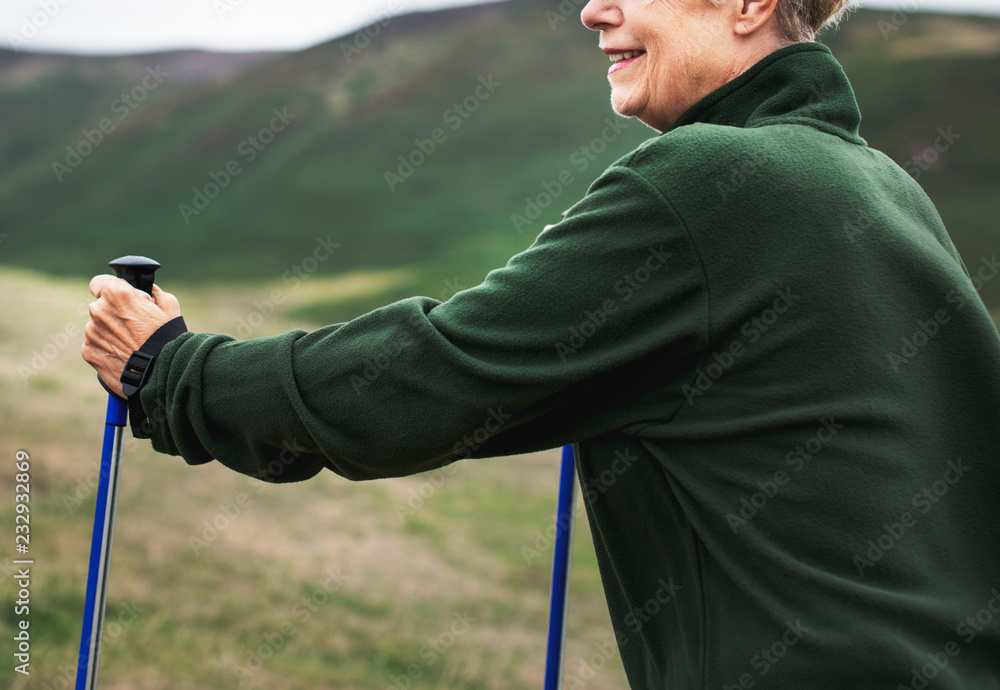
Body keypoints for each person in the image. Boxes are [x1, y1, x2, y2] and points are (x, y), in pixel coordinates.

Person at [83, 0, 1000, 687]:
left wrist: (170, 368)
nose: (592, 10)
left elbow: (427, 381)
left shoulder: (717, 179)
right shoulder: (878, 184)